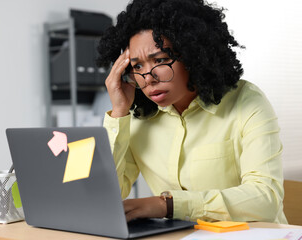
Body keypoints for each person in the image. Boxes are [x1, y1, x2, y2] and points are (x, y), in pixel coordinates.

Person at [97, 0, 287, 224]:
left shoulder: (246, 103)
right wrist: (119, 112)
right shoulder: (138, 117)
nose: (148, 77)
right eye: (137, 66)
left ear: (193, 54)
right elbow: (103, 195)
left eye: (160, 60)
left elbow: (265, 199)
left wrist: (167, 205)